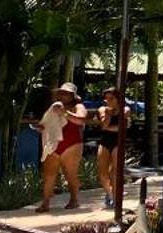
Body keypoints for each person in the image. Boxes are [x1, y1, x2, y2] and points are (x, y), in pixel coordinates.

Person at [31, 82, 88, 212]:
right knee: (48, 174)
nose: (63, 95)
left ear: (72, 95)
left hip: (72, 144)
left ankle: (74, 199)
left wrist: (64, 113)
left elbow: (81, 119)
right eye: (62, 92)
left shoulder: (78, 106)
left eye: (67, 93)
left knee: (70, 173)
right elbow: (48, 123)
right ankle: (45, 203)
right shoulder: (54, 107)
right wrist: (42, 127)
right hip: (54, 144)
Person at [93, 88, 126, 207]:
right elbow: (104, 126)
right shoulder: (103, 109)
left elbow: (122, 127)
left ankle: (116, 198)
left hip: (118, 142)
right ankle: (109, 193)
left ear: (118, 99)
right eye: (106, 99)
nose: (108, 101)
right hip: (105, 141)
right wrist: (108, 114)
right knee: (102, 171)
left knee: (115, 172)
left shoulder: (124, 110)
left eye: (111, 99)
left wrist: (113, 126)